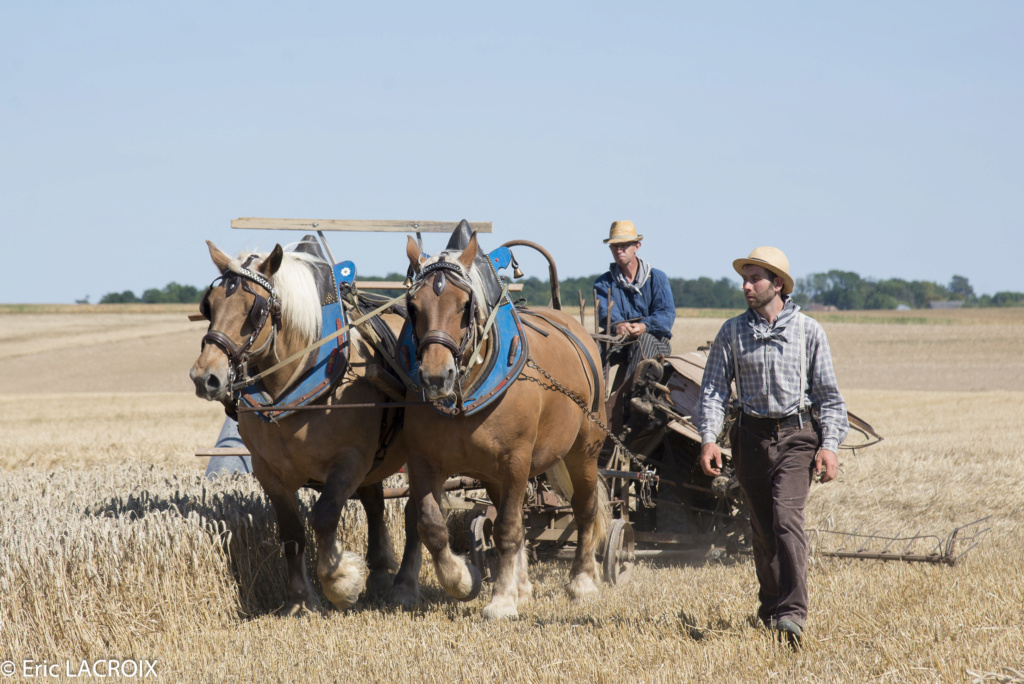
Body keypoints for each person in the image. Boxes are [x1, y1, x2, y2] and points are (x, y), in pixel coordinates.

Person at [697, 246, 848, 648]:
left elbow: (830, 396)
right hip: (749, 437)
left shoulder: (809, 331)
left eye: (755, 279)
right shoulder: (731, 332)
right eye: (744, 279)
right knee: (763, 531)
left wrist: (829, 445)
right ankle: (771, 608)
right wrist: (709, 438)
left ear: (777, 284)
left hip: (797, 436)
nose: (746, 286)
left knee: (786, 519)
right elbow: (713, 389)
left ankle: (793, 612)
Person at [593, 220, 676, 391]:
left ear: (636, 246)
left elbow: (666, 315)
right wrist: (618, 325)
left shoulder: (657, 278)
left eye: (624, 245)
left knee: (642, 341)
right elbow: (605, 312)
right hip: (620, 341)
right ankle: (595, 398)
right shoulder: (603, 283)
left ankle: (629, 397)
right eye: (614, 246)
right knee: (592, 347)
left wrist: (644, 326)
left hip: (655, 341)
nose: (618, 250)